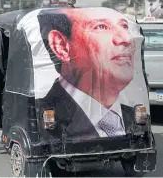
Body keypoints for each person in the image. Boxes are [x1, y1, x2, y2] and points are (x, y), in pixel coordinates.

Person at [36, 8, 140, 138]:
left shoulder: (134, 118)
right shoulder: (39, 116)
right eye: (101, 26)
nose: (127, 38)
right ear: (61, 46)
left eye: (124, 26)